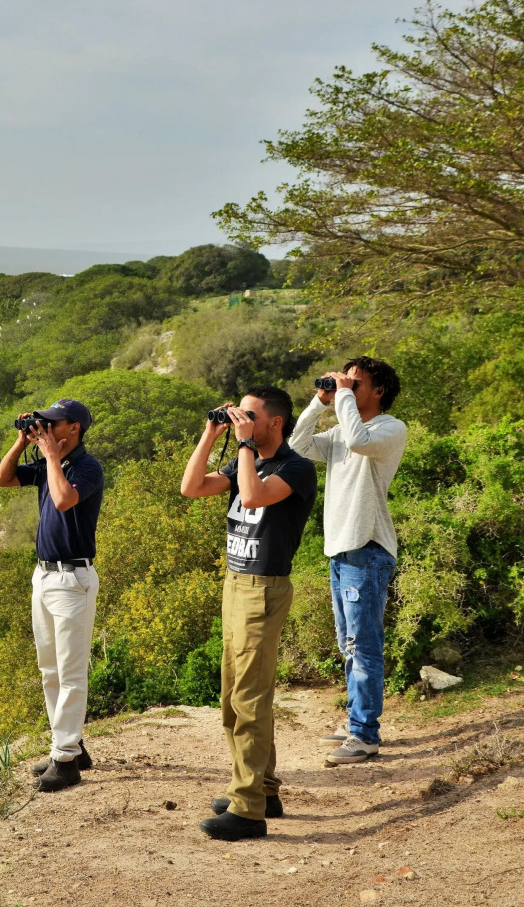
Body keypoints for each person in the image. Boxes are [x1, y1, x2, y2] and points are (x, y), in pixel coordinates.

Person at [181, 385, 317, 841]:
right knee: (232, 695)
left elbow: (254, 497)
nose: (242, 421)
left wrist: (241, 445)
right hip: (235, 584)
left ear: (275, 423)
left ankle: (248, 810)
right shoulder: (247, 457)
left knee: (250, 701)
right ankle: (266, 789)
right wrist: (211, 431)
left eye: (250, 415)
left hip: (264, 589)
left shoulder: (295, 468)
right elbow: (192, 487)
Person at [290, 357, 407, 766]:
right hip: (341, 549)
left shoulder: (389, 429)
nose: (347, 387)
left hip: (368, 547)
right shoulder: (341, 427)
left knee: (364, 645)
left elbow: (358, 442)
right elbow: (298, 445)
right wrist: (320, 402)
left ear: (378, 392)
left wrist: (340, 395)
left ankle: (364, 735)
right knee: (348, 644)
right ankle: (356, 721)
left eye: (356, 383)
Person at [0, 398, 103, 793]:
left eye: (54, 423)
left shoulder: (88, 467)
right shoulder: (47, 463)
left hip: (73, 578)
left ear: (74, 428)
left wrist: (50, 457)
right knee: (50, 669)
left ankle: (66, 761)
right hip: (44, 575)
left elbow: (63, 499)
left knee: (71, 672)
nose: (48, 428)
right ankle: (70, 747)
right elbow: (2, 480)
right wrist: (22, 443)